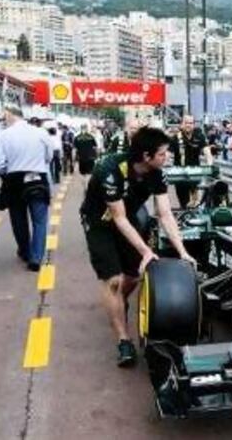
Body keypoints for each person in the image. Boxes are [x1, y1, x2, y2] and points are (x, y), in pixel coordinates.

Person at [80, 126, 197, 367]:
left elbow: (165, 214)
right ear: (146, 156)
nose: (168, 157)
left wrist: (182, 251)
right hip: (100, 223)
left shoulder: (158, 174)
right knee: (113, 280)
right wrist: (146, 250)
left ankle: (116, 305)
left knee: (133, 277)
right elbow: (117, 217)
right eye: (163, 153)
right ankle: (124, 340)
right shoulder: (110, 170)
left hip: (129, 219)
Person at [0, 106, 53, 272]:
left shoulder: (3, 135)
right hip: (37, 177)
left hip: (14, 179)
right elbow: (49, 156)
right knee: (40, 220)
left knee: (18, 219)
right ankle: (36, 257)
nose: (3, 118)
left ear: (11, 115)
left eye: (4, 114)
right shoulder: (41, 132)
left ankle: (25, 251)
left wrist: (9, 170)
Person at [169, 115, 213, 208]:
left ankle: (196, 217)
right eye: (186, 123)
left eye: (191, 123)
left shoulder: (199, 136)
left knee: (196, 202)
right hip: (180, 174)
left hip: (194, 173)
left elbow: (207, 153)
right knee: (184, 203)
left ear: (193, 124)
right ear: (182, 124)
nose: (188, 125)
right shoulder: (175, 138)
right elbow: (167, 154)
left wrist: (210, 165)